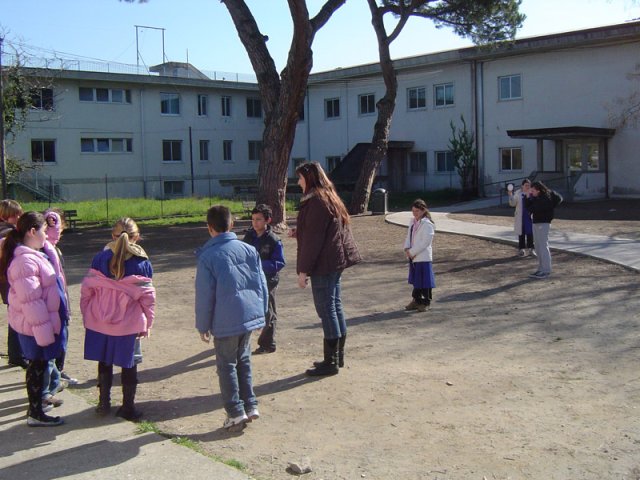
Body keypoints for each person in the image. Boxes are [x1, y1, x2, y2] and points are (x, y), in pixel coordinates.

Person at [195, 205, 268, 431]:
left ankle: (235, 411)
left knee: (226, 365)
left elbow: (204, 295)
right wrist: (262, 313)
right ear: (232, 225)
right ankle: (250, 405)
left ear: (209, 228)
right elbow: (261, 284)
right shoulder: (248, 249)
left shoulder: (207, 256)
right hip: (248, 315)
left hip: (225, 320)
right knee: (243, 361)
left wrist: (202, 325)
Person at [81, 217, 155, 420]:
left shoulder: (99, 258)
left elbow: (87, 290)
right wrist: (148, 321)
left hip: (100, 322)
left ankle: (103, 403)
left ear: (112, 236)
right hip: (128, 324)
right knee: (129, 363)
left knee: (104, 361)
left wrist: (87, 313)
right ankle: (128, 407)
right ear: (137, 237)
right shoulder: (142, 263)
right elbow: (148, 298)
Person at [291, 162, 361, 377]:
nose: (298, 182)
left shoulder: (317, 201)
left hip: (325, 263)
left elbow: (314, 240)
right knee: (334, 306)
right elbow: (322, 230)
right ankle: (337, 357)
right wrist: (300, 231)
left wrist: (303, 271)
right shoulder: (327, 196)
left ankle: (330, 362)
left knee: (326, 309)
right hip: (333, 261)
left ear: (309, 177)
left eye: (300, 177)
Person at [0, 212, 67, 426]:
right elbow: (32, 302)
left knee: (39, 365)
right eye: (44, 232)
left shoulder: (32, 255)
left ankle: (39, 404)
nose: (46, 236)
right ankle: (36, 413)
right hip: (35, 327)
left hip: (38, 325)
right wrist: (45, 333)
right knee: (36, 367)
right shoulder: (25, 262)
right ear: (32, 232)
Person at [242, 204, 285, 354]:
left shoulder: (274, 240)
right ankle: (241, 341)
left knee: (268, 311)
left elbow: (279, 262)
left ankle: (268, 343)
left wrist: (259, 265)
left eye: (259, 219)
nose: (255, 223)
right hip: (249, 280)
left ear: (268, 220)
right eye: (253, 219)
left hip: (268, 280)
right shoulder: (249, 236)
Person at [0, 199, 28, 368]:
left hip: (5, 278)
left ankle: (15, 353)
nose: (18, 217)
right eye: (14, 215)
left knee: (14, 313)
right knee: (17, 314)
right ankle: (17, 354)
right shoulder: (9, 234)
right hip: (9, 278)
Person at [524, 181, 563, 279]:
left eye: (533, 191)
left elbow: (531, 208)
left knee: (543, 246)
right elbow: (528, 207)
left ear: (538, 190)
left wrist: (529, 198)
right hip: (537, 222)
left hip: (543, 223)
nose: (531, 192)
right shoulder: (538, 197)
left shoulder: (545, 198)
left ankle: (546, 270)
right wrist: (528, 198)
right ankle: (541, 268)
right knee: (537, 246)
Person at [403, 199, 436, 312]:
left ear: (423, 211)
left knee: (425, 281)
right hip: (413, 257)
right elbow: (409, 237)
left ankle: (426, 302)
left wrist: (412, 252)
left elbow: (425, 242)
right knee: (417, 280)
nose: (414, 213)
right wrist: (407, 249)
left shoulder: (427, 224)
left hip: (423, 257)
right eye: (413, 211)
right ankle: (416, 300)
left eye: (417, 211)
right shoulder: (413, 223)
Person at [508, 179, 536, 257]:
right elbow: (513, 204)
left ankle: (531, 249)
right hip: (521, 217)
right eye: (526, 185)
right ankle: (521, 250)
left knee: (530, 233)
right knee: (521, 234)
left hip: (529, 217)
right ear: (522, 186)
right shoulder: (518, 194)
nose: (527, 187)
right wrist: (510, 195)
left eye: (529, 185)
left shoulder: (532, 193)